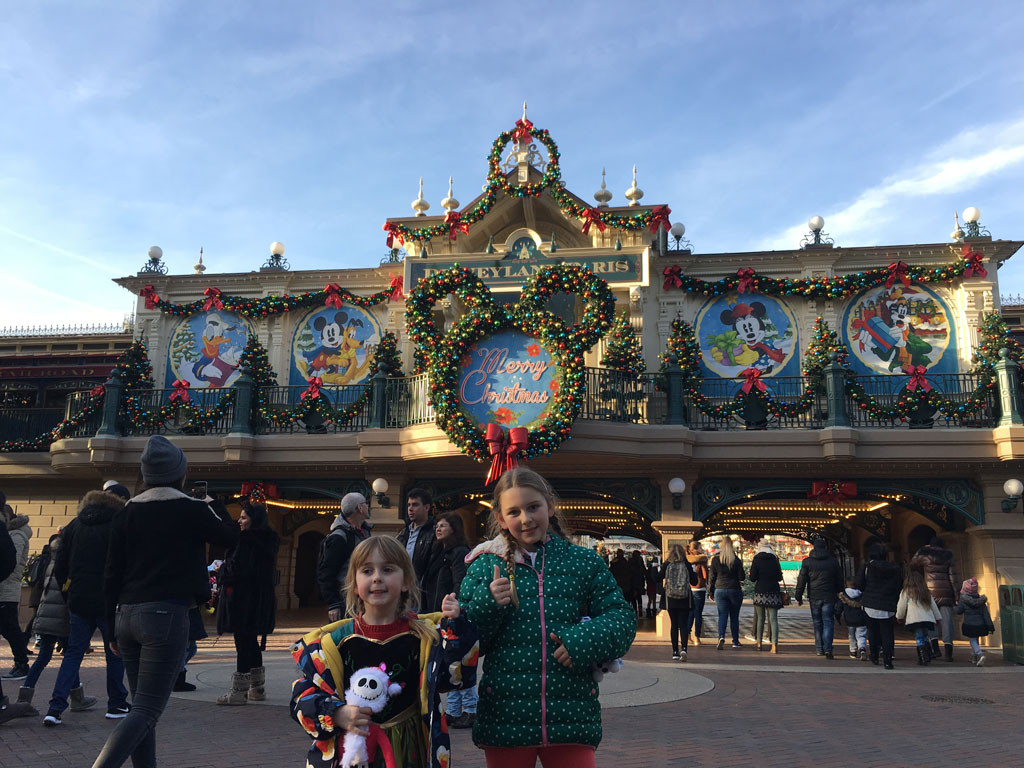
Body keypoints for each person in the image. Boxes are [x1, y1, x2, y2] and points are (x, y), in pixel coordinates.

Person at [459, 467, 637, 768]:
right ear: (500, 518)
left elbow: (622, 618)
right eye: (514, 512)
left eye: (533, 507)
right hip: (506, 719)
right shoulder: (485, 566)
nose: (526, 519)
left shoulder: (583, 562)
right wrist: (487, 604)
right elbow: (466, 645)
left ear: (550, 506)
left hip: (571, 716)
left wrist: (583, 641)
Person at [92, 434, 238, 768]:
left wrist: (111, 627)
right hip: (166, 614)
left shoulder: (126, 512)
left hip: (126, 615)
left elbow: (111, 574)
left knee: (141, 707)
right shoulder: (191, 509)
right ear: (180, 473)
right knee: (146, 709)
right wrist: (213, 503)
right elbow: (230, 537)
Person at [290, 536, 478, 768]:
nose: (377, 577)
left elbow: (456, 678)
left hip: (409, 749)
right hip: (353, 748)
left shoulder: (425, 637)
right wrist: (336, 713)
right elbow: (302, 697)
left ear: (406, 581)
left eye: (387, 569)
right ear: (354, 584)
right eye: (367, 571)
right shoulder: (333, 643)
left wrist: (456, 628)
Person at [43, 488, 130, 726]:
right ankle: (116, 703)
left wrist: (68, 591)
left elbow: (60, 564)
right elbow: (126, 563)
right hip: (109, 598)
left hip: (79, 598)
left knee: (73, 653)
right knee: (115, 652)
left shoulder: (75, 524)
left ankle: (55, 708)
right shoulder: (119, 522)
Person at [17, 534, 98, 718]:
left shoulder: (50, 562)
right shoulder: (69, 565)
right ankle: (77, 698)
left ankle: (24, 698)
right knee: (71, 657)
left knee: (44, 657)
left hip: (45, 615)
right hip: (62, 617)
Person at [215, 502, 280, 706]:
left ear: (253, 520)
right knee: (251, 641)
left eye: (243, 517)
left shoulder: (245, 541)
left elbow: (237, 569)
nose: (239, 521)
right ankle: (257, 687)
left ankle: (238, 692)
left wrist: (220, 569)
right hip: (261, 598)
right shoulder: (269, 540)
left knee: (242, 642)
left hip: (243, 599)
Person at [432, 513, 475, 727]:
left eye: (443, 525)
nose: (438, 529)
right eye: (437, 526)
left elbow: (460, 582)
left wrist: (454, 605)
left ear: (454, 528)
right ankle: (454, 710)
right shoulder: (443, 553)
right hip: (444, 615)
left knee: (461, 661)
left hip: (455, 615)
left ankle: (470, 709)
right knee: (450, 662)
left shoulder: (459, 553)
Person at [0, 496, 33, 725]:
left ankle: (21, 663)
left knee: (10, 628)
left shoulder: (16, 535)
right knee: (9, 628)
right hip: (4, 588)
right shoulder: (9, 532)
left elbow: (10, 563)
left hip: (6, 590)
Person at [317, 492, 372, 622]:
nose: (368, 506)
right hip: (345, 602)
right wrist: (333, 603)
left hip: (361, 599)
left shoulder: (363, 532)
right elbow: (326, 572)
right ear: (359, 508)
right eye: (366, 503)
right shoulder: (339, 537)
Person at [854, 542, 903, 670]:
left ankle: (874, 655)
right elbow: (898, 585)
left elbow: (858, 584)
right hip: (888, 604)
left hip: (870, 603)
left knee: (872, 631)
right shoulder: (894, 568)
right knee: (887, 633)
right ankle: (888, 660)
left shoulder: (867, 567)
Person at [794, 535, 844, 659]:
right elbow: (839, 579)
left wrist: (798, 596)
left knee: (817, 623)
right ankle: (828, 648)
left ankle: (819, 648)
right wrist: (840, 593)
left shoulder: (807, 562)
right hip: (829, 595)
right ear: (825, 547)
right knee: (828, 622)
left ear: (814, 547)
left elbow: (802, 580)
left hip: (814, 596)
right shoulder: (833, 561)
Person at [398, 488, 443, 612]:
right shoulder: (403, 533)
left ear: (427, 507)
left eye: (415, 505)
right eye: (409, 505)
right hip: (402, 593)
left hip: (422, 594)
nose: (410, 509)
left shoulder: (435, 533)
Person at [914, 536, 959, 662]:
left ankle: (935, 649)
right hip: (946, 593)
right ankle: (948, 652)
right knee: (947, 622)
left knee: (931, 621)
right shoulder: (948, 556)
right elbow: (953, 577)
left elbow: (914, 563)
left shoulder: (926, 557)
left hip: (930, 593)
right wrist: (957, 595)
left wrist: (922, 549)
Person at [897, 560, 942, 666]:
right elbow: (933, 606)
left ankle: (922, 657)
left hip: (915, 619)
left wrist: (899, 616)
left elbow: (901, 606)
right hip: (927, 619)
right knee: (925, 636)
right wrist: (938, 618)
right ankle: (927, 654)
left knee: (919, 637)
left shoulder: (906, 592)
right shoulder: (925, 592)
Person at [709, 536, 745, 650]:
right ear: (731, 546)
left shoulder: (715, 560)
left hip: (720, 589)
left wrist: (710, 592)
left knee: (722, 615)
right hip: (734, 589)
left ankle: (721, 636)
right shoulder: (736, 560)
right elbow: (742, 577)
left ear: (721, 545)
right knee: (734, 617)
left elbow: (712, 577)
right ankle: (735, 641)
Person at [662, 544, 697, 661]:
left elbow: (656, 577)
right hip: (684, 598)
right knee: (683, 624)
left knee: (674, 625)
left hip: (670, 598)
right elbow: (694, 581)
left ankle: (675, 651)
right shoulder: (686, 564)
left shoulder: (667, 564)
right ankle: (684, 649)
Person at [748, 541, 783, 653]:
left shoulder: (756, 559)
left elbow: (752, 578)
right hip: (773, 591)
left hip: (760, 591)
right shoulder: (775, 559)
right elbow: (779, 577)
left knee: (760, 618)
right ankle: (774, 645)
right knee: (773, 619)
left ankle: (759, 643)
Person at [955, 578, 995, 667]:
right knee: (976, 640)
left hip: (969, 624)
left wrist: (955, 606)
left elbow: (958, 611)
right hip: (980, 625)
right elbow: (986, 614)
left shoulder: (963, 600)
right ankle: (974, 657)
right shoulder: (981, 601)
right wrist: (990, 626)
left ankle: (980, 654)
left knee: (972, 640)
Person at [836, 582, 869, 660]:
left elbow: (839, 608)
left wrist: (838, 616)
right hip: (861, 619)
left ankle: (853, 651)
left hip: (849, 620)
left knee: (852, 636)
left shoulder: (843, 596)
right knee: (861, 635)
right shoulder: (862, 595)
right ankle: (862, 648)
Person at [686, 541, 710, 645]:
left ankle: (687, 635)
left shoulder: (686, 558)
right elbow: (705, 575)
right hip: (699, 588)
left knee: (690, 613)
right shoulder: (701, 559)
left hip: (689, 589)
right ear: (698, 548)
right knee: (698, 614)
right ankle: (697, 637)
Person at [627, 550, 647, 619]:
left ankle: (635, 611)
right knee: (638, 597)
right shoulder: (639, 561)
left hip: (633, 582)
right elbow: (643, 570)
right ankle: (639, 611)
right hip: (638, 582)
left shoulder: (631, 561)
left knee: (634, 598)